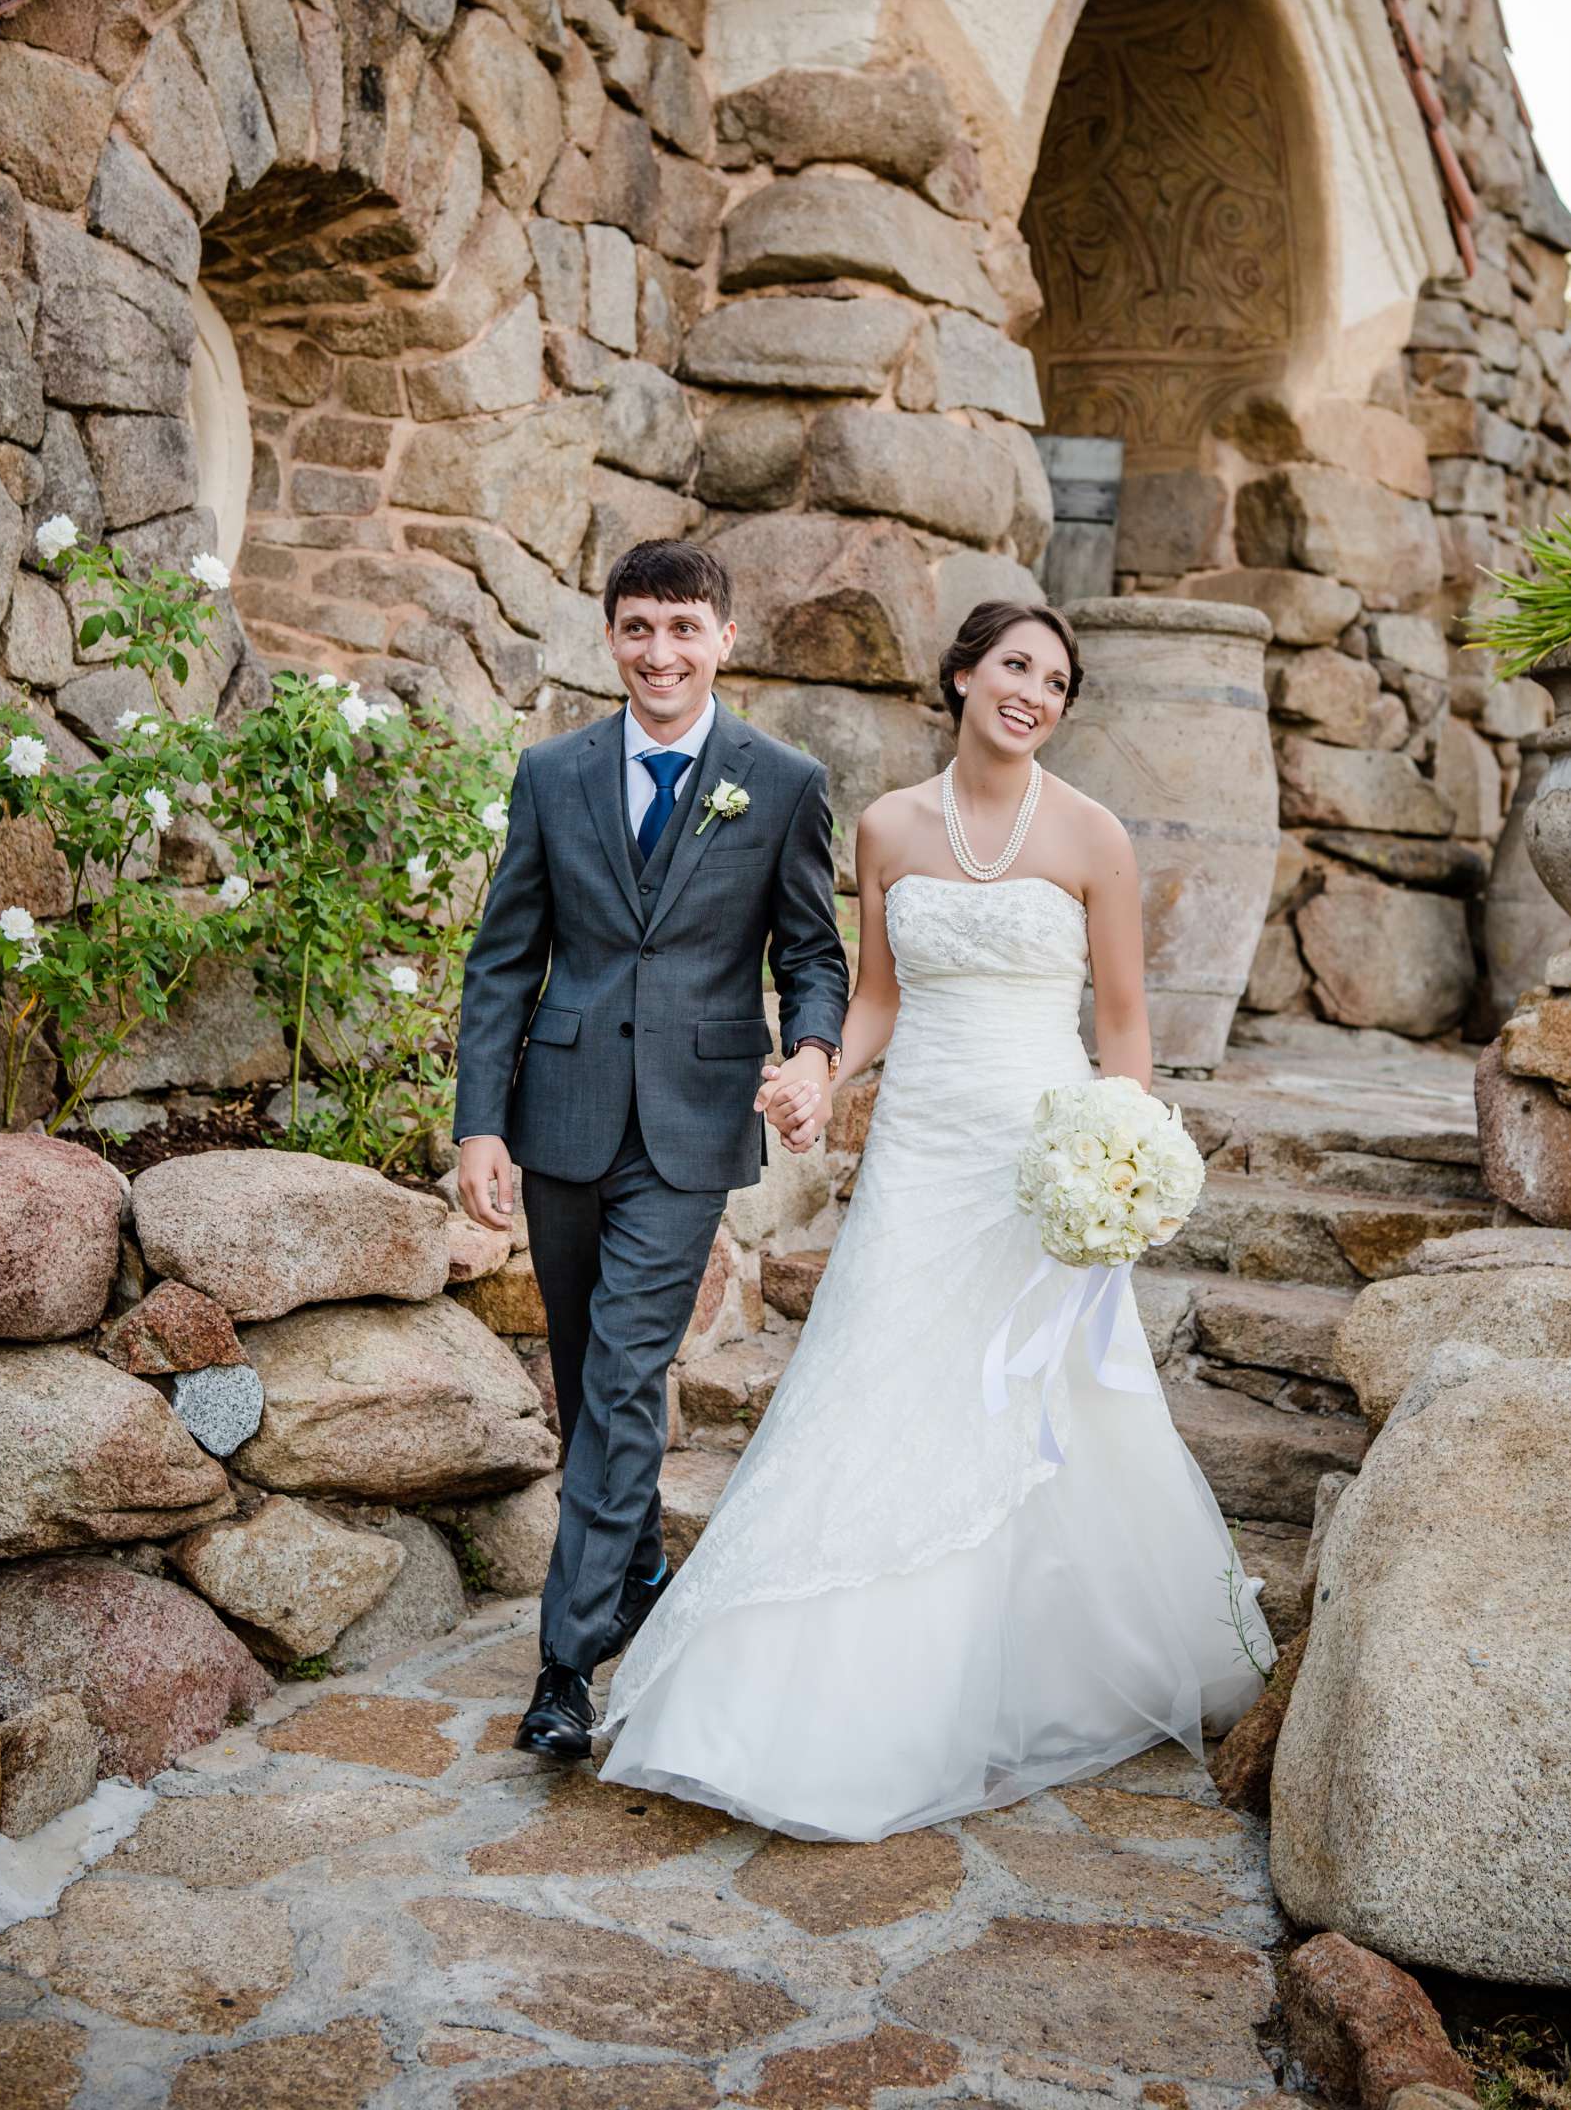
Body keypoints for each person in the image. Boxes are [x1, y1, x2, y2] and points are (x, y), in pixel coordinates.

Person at [598, 598, 1274, 1839]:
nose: (1033, 693)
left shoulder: (1094, 836)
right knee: (875, 1384)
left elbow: (1123, 1027)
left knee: (1039, 1404)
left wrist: (1119, 1163)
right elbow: (878, 999)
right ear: (962, 675)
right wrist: (817, 1070)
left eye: (1057, 682)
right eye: (1014, 666)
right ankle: (806, 1698)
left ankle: (1016, 1671)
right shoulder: (889, 825)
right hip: (920, 1149)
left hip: (1042, 1151)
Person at [453, 539, 850, 1763]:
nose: (660, 653)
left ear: (725, 638)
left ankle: (565, 1666)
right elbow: (505, 958)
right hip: (561, 1116)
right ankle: (636, 1571)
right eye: (637, 629)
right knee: (584, 1381)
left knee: (623, 1375)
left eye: (683, 628)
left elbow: (812, 955)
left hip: (690, 1123)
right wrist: (479, 1120)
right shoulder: (552, 773)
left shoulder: (779, 782)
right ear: (611, 639)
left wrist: (816, 1056)